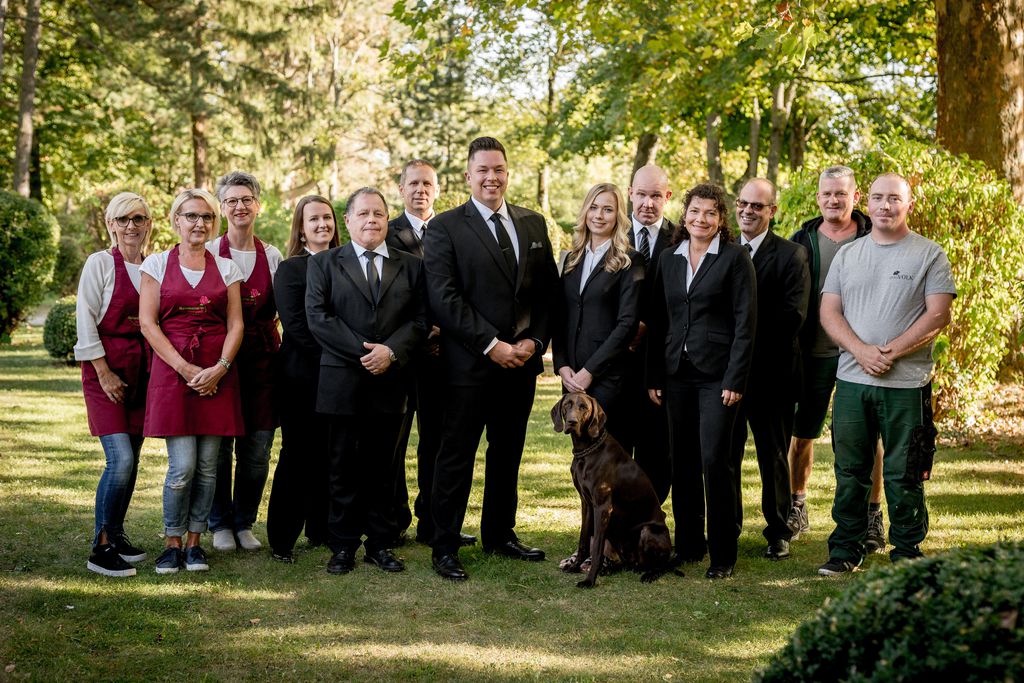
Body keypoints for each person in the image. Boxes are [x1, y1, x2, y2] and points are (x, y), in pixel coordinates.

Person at [422, 136, 559, 581]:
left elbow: (548, 295)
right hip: (467, 367)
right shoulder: (445, 227)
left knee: (508, 454)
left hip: (520, 366)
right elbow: (444, 297)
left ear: (507, 172)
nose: (491, 177)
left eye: (498, 169)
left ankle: (500, 533)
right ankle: (444, 545)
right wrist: (490, 344)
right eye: (482, 170)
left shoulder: (534, 225)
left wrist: (534, 343)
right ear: (468, 175)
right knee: (456, 455)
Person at [817, 173, 955, 576]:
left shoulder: (929, 254)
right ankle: (845, 549)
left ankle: (908, 551)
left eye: (894, 198)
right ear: (868, 203)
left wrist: (891, 352)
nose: (885, 206)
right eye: (877, 198)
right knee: (850, 470)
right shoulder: (849, 254)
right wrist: (861, 351)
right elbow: (829, 311)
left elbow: (938, 314)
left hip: (905, 385)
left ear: (908, 204)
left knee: (904, 470)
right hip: (852, 382)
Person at [305, 187, 428, 575]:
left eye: (378, 213)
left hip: (391, 380)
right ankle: (342, 545)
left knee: (384, 468)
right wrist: (365, 352)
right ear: (348, 220)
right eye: (363, 213)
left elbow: (421, 321)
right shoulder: (324, 263)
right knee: (341, 466)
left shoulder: (411, 266)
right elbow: (319, 318)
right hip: (342, 380)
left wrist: (390, 352)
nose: (371, 220)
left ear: (387, 218)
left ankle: (380, 543)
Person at [646, 183, 756, 580]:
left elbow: (746, 323)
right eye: (694, 211)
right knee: (683, 462)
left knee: (714, 460)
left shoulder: (734, 258)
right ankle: (690, 544)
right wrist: (655, 375)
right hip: (677, 375)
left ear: (721, 220)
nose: (700, 219)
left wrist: (735, 377)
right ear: (685, 213)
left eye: (710, 213)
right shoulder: (668, 259)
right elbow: (659, 322)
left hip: (719, 378)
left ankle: (723, 553)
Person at [140, 189, 245, 574]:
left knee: (208, 468)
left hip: (218, 374)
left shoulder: (227, 268)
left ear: (212, 224)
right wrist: (186, 370)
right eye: (190, 216)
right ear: (176, 221)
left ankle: (196, 542)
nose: (198, 223)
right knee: (182, 467)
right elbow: (149, 324)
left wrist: (219, 367)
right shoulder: (154, 264)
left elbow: (236, 324)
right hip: (174, 374)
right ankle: (171, 541)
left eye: (205, 217)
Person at [788, 166, 886, 551]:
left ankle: (873, 515)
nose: (833, 200)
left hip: (859, 355)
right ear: (818, 197)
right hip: (811, 354)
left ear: (854, 197)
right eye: (827, 194)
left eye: (840, 194)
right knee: (802, 436)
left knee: (869, 440)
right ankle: (797, 505)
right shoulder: (802, 240)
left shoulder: (873, 237)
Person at [384, 159, 475, 547]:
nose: (421, 190)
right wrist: (421, 329)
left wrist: (448, 328)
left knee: (437, 443)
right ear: (401, 189)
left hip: (445, 357)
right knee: (395, 443)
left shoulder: (455, 230)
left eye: (428, 184)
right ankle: (391, 520)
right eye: (413, 184)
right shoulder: (385, 235)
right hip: (403, 358)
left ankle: (434, 523)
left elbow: (463, 288)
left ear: (437, 190)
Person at [729, 178, 810, 561]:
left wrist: (744, 347)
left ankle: (779, 529)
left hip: (772, 376)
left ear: (772, 211)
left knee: (773, 456)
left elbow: (791, 317)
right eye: (743, 203)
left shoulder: (792, 255)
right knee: (725, 454)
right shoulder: (723, 251)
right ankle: (727, 527)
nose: (748, 210)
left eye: (757, 206)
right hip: (727, 376)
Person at [75, 192, 153, 577]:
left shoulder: (154, 266)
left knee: (133, 459)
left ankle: (118, 534)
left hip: (143, 374)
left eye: (138, 219)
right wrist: (104, 372)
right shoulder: (100, 263)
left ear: (148, 224)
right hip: (105, 371)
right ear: (111, 224)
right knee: (119, 459)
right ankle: (101, 545)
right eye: (123, 219)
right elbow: (85, 320)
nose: (131, 226)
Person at [208, 171, 283, 553]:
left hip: (263, 365)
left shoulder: (272, 256)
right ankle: (219, 522)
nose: (239, 206)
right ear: (222, 208)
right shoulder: (206, 252)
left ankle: (244, 522)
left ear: (258, 206)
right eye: (231, 201)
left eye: (246, 200)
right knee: (220, 449)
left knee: (256, 451)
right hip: (222, 364)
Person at [265, 196, 340, 563]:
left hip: (340, 377)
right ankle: (282, 539)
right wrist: (343, 354)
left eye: (327, 217)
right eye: (314, 219)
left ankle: (321, 527)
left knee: (330, 453)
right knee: (298, 455)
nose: (322, 224)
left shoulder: (347, 264)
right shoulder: (291, 270)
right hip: (301, 375)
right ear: (301, 227)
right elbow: (296, 326)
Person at [553, 182, 643, 440]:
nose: (599, 215)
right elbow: (560, 317)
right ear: (585, 211)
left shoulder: (630, 261)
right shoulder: (570, 259)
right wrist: (562, 366)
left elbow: (627, 324)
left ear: (618, 216)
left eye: (608, 209)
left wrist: (589, 371)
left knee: (611, 460)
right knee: (582, 457)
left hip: (608, 378)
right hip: (571, 377)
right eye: (593, 207)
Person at [621, 165, 676, 503]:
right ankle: (612, 532)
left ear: (667, 197)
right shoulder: (610, 232)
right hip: (618, 362)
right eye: (641, 194)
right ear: (630, 193)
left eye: (656, 195)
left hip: (662, 363)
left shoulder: (683, 237)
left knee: (658, 451)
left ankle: (650, 525)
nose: (648, 203)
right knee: (617, 447)